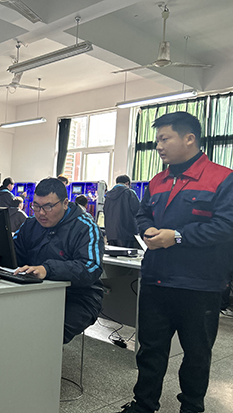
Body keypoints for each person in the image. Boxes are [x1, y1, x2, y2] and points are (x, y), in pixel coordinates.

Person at [117, 112, 233, 413]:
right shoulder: (158, 180)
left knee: (196, 354)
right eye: (157, 140)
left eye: (164, 139)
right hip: (157, 279)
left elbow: (226, 226)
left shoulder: (222, 178)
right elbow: (142, 214)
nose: (158, 146)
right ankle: (143, 405)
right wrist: (147, 230)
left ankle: (191, 407)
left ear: (189, 138)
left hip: (199, 285)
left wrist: (177, 236)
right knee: (150, 351)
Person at [13, 178, 104, 344]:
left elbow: (91, 268)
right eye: (36, 206)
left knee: (45, 333)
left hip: (78, 296)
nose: (41, 213)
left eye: (48, 207)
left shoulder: (85, 227)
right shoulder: (30, 225)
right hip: (36, 290)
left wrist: (48, 269)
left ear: (65, 203)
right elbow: (13, 252)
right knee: (6, 319)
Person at [104, 175, 140, 248]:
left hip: (110, 234)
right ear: (127, 183)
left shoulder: (108, 196)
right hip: (127, 234)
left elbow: (105, 211)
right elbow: (138, 212)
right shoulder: (129, 193)